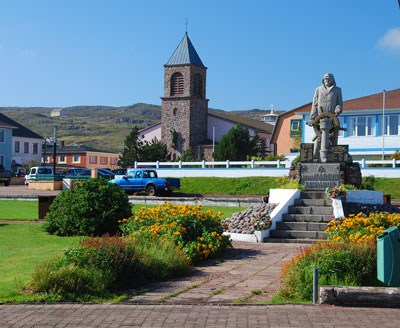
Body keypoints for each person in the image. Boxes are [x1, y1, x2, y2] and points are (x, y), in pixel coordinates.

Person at [307, 73, 343, 156]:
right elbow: (315, 104)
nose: (327, 80)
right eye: (325, 79)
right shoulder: (318, 89)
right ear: (323, 80)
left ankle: (333, 158)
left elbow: (339, 103)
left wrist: (338, 108)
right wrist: (312, 118)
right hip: (320, 120)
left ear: (332, 80)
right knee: (318, 139)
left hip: (333, 119)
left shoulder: (337, 90)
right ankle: (314, 158)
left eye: (329, 78)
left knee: (333, 139)